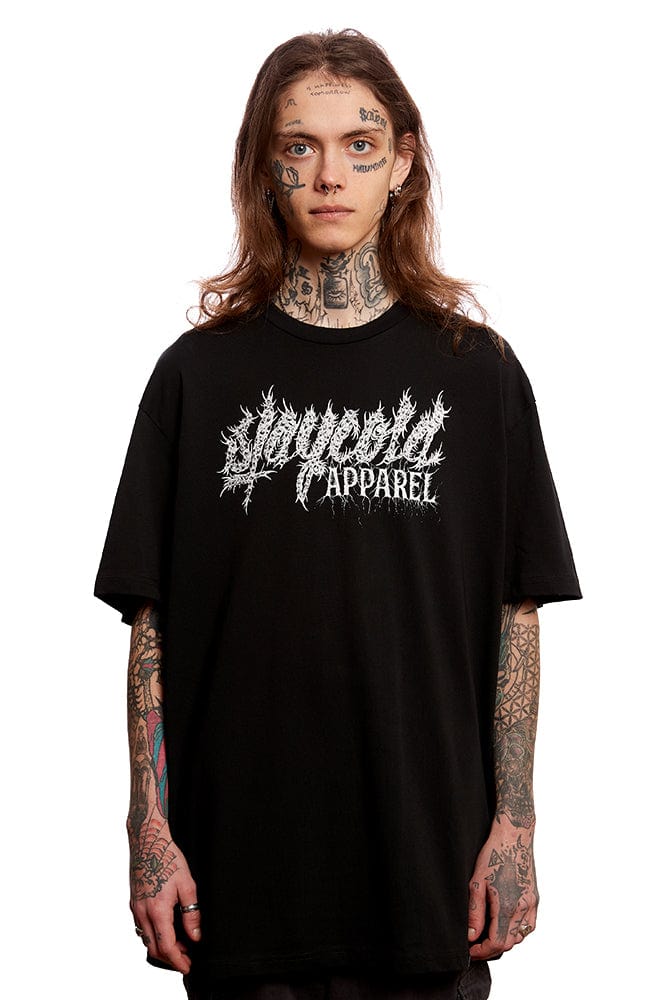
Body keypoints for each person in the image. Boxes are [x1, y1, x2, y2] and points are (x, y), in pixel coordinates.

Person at [94, 28, 582, 1000]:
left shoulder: (476, 375)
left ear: (401, 162)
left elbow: (514, 614)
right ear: (263, 166)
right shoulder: (196, 377)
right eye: (298, 145)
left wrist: (516, 825)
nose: (329, 174)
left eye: (359, 144)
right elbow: (152, 622)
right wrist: (148, 829)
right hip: (237, 883)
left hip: (428, 876)